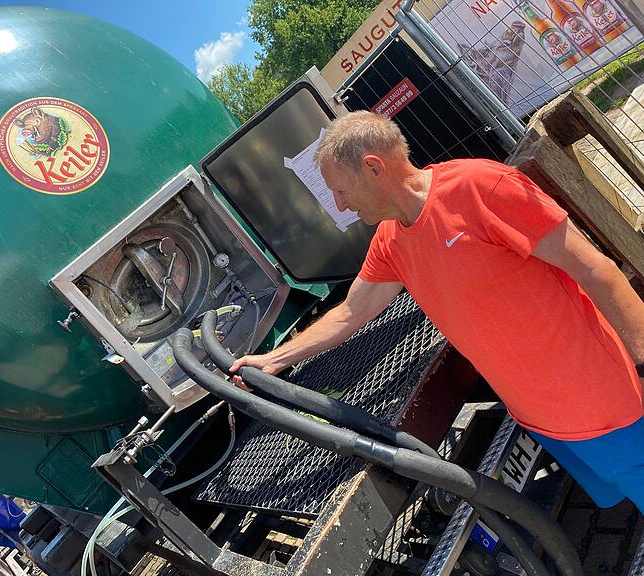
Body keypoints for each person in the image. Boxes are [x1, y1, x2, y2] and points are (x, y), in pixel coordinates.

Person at [231, 111, 644, 512]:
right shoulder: (391, 241)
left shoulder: (480, 186)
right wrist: (273, 360)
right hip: (543, 420)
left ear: (374, 167)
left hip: (609, 408)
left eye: (341, 190)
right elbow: (350, 312)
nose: (340, 207)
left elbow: (598, 270)